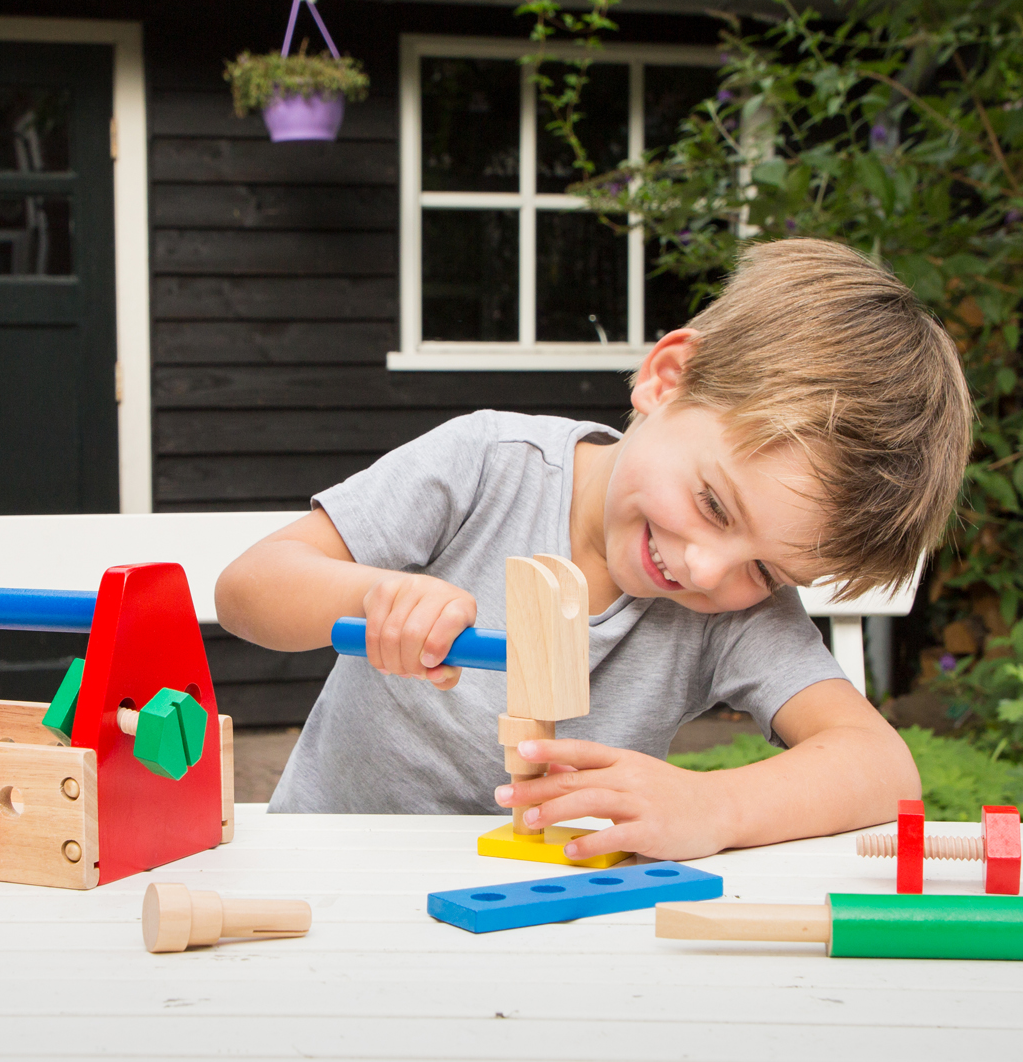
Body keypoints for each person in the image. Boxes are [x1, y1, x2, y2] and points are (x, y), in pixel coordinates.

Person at [215, 239, 972, 863]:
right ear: (666, 380)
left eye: (766, 568)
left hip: (543, 909)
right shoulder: (486, 464)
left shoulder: (731, 613)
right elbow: (249, 590)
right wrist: (372, 599)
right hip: (330, 866)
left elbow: (882, 768)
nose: (706, 569)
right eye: (713, 504)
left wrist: (715, 805)